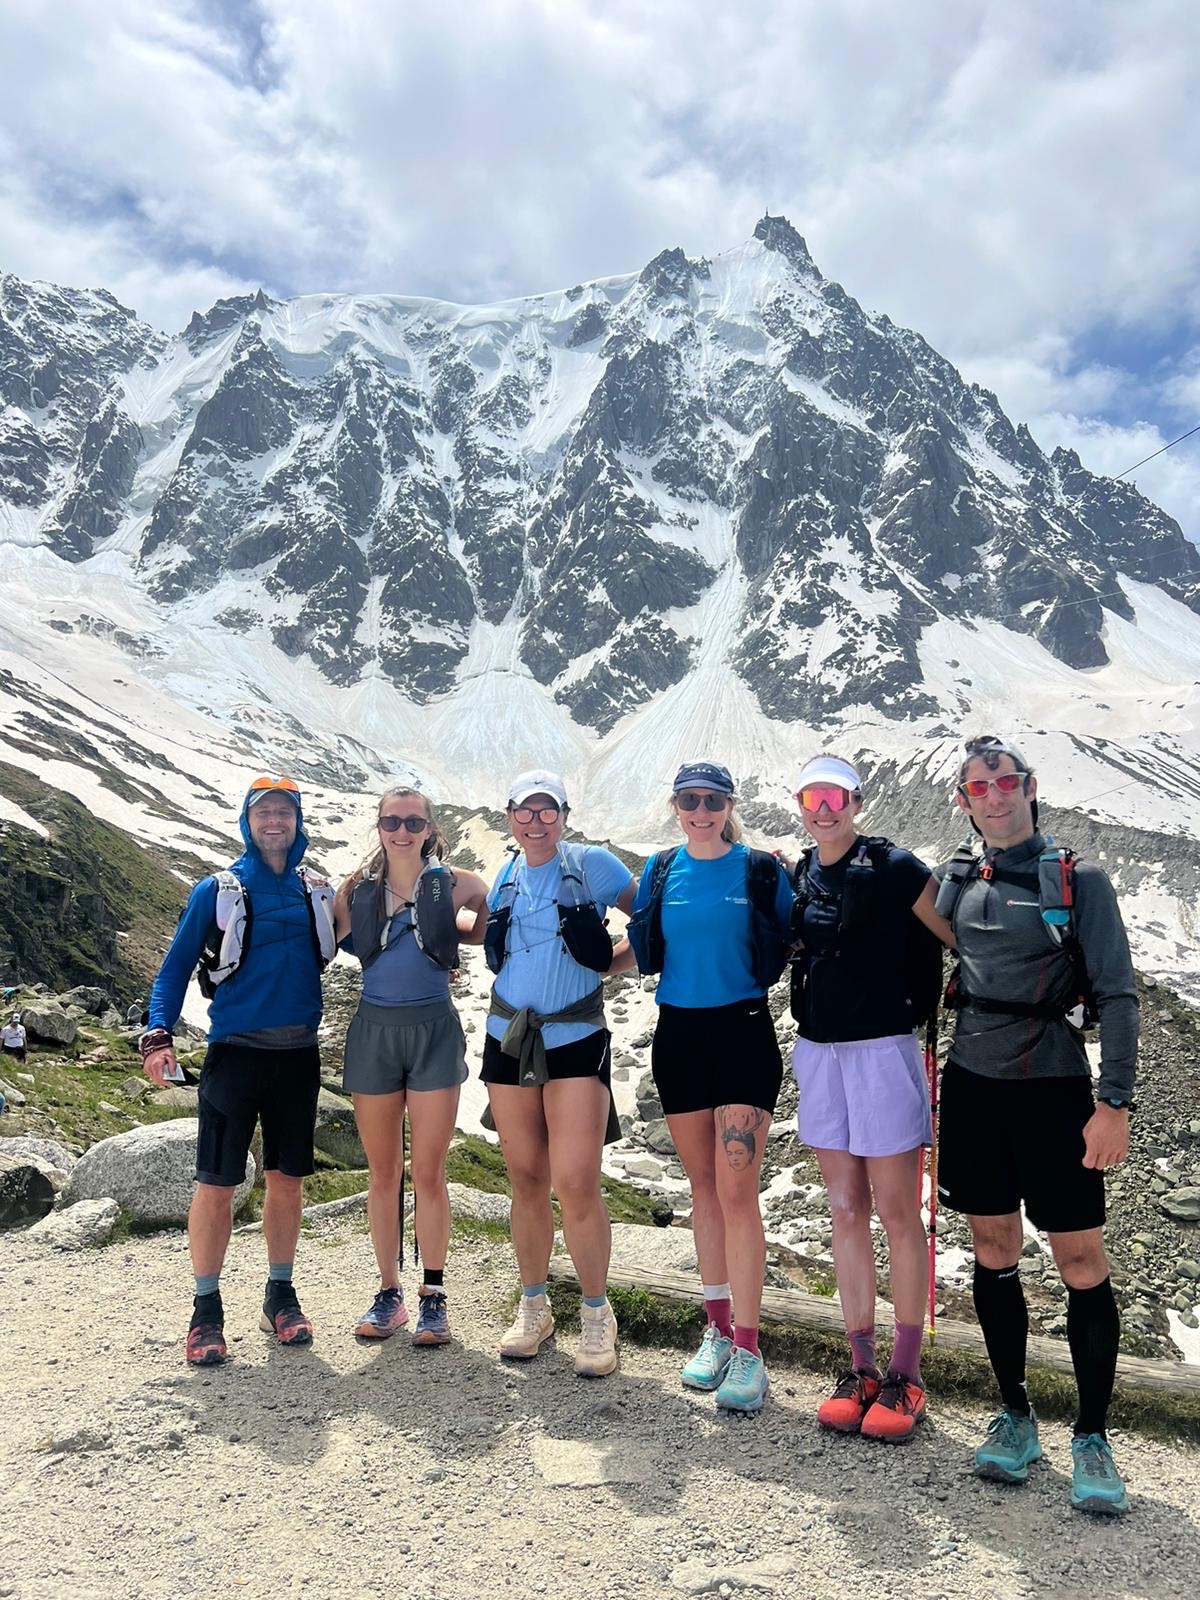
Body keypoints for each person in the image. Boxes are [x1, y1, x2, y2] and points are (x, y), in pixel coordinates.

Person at [936, 734, 1138, 1515]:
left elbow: (1117, 994)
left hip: (1056, 1090)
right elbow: (915, 926)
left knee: (1080, 1259)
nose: (993, 795)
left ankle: (1092, 1434)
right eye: (978, 787)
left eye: (1005, 782)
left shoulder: (1081, 880)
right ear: (964, 800)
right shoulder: (959, 875)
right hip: (972, 1087)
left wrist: (1113, 1104)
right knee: (994, 1251)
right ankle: (1016, 1416)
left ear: (1028, 787)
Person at [142, 775, 335, 1366]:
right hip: (235, 1053)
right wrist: (157, 1035)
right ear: (247, 822)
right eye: (263, 812)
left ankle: (280, 1295)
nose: (275, 821)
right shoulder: (218, 889)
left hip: (298, 1054)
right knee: (217, 1183)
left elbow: (365, 943)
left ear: (298, 821)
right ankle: (205, 1310)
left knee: (287, 1180)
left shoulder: (315, 890)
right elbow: (175, 967)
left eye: (284, 812)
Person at [788, 755, 949, 1442]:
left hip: (883, 1049)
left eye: (835, 797)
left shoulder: (895, 866)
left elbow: (955, 931)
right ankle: (861, 1369)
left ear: (856, 801)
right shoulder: (801, 871)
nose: (824, 810)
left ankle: (906, 1375)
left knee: (896, 1211)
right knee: (847, 1209)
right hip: (819, 1050)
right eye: (812, 798)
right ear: (801, 805)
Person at [628, 761, 794, 1413]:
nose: (702, 811)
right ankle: (718, 1332)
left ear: (729, 806)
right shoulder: (660, 869)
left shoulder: (761, 870)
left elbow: (802, 931)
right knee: (702, 1190)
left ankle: (749, 1349)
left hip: (744, 1031)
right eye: (690, 800)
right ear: (676, 805)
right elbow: (641, 947)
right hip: (679, 1036)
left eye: (713, 801)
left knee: (736, 1192)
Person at [479, 770, 636, 1378]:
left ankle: (597, 1315)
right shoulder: (506, 873)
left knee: (574, 1181)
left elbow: (647, 917)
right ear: (510, 816)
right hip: (507, 1035)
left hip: (575, 1035)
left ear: (565, 816)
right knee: (524, 1177)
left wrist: (615, 964)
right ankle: (534, 1307)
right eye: (526, 811)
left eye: (548, 811)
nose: (536, 822)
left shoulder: (592, 865)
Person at [333, 786, 488, 1346]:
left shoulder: (459, 883)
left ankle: (433, 1295)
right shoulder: (355, 889)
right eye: (392, 821)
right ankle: (388, 1292)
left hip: (433, 1030)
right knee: (382, 1173)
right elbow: (324, 940)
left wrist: (458, 936)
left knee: (429, 1172)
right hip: (374, 1030)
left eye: (413, 822)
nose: (402, 831)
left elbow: (485, 918)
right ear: (379, 826)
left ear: (430, 829)